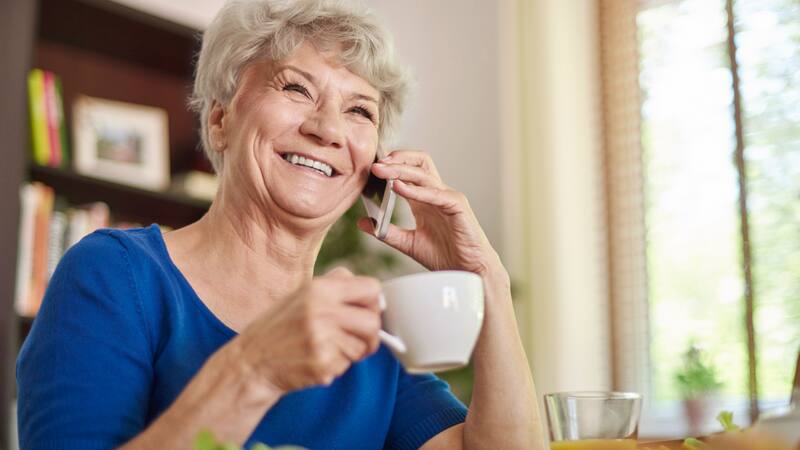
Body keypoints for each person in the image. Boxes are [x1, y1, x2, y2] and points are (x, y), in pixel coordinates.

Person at [16, 1, 540, 449]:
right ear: (220, 121)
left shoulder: (372, 337)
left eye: (360, 111)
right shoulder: (113, 276)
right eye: (296, 88)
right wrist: (253, 369)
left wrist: (483, 275)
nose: (328, 128)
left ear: (374, 167)